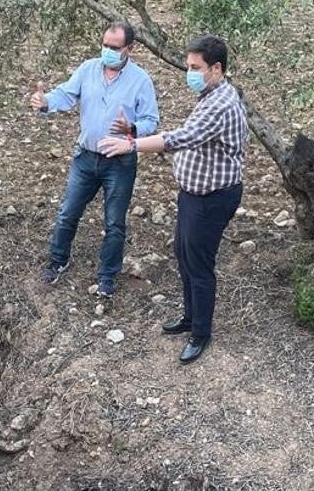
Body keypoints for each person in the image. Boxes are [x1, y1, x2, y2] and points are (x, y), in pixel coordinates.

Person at [98, 35, 247, 364]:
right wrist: (137, 133)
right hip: (194, 194)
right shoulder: (210, 95)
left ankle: (201, 333)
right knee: (183, 253)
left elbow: (183, 137)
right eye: (189, 66)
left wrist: (132, 145)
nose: (190, 73)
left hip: (212, 197)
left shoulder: (221, 103)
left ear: (217, 69)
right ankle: (191, 318)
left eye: (196, 67)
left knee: (200, 263)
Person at [29, 20, 160, 297]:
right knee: (68, 212)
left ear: (129, 48)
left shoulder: (141, 80)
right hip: (86, 157)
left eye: (115, 47)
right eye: (105, 45)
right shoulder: (88, 69)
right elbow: (66, 94)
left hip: (120, 162)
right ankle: (57, 261)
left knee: (114, 222)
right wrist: (46, 102)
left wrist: (133, 130)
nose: (108, 51)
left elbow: (151, 120)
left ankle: (107, 277)